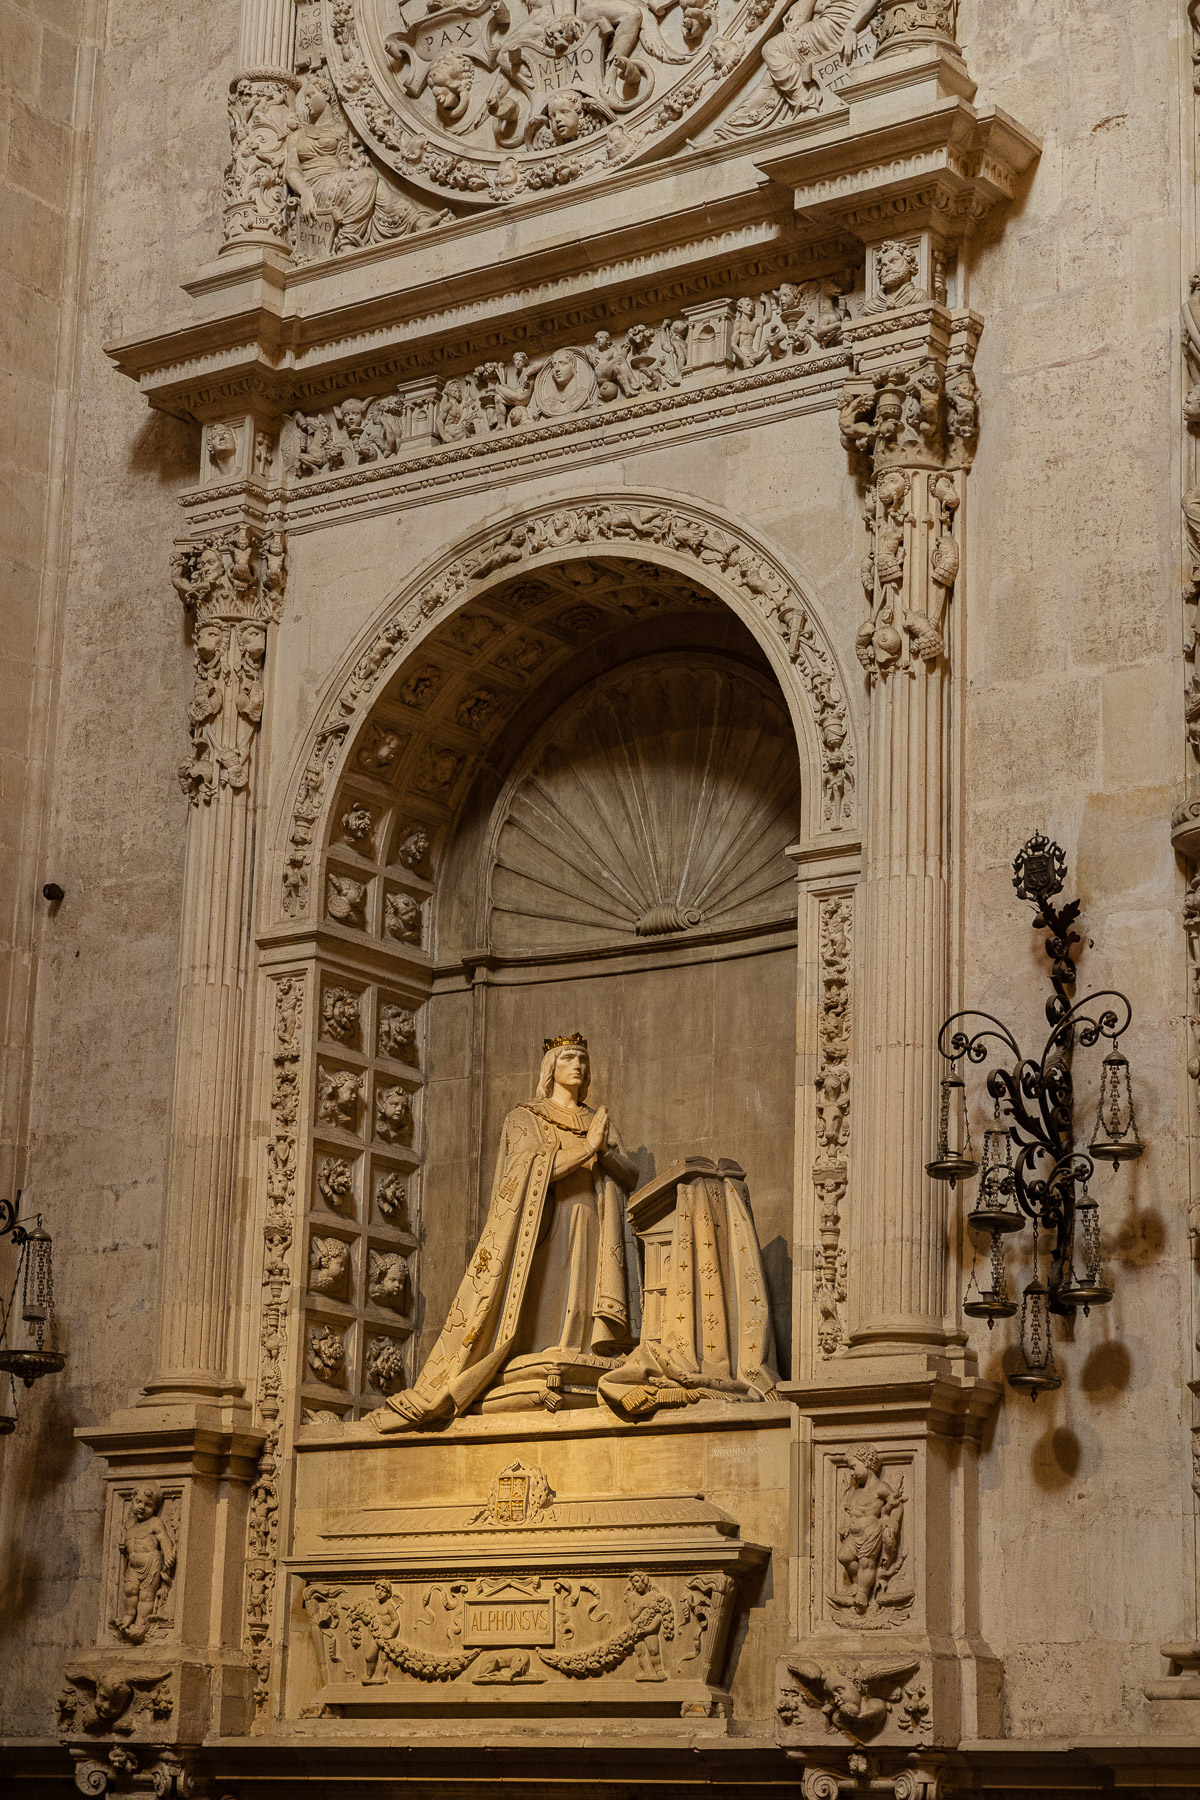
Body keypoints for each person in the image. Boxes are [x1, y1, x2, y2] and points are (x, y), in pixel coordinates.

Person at [371, 1034, 637, 1429]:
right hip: (543, 1225)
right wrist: (586, 1150)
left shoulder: (594, 1119)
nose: (577, 1066)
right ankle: (540, 1355)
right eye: (568, 1058)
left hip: (593, 1220)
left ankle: (581, 1353)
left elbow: (629, 1175)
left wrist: (604, 1149)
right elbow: (523, 1171)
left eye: (582, 1058)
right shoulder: (525, 1116)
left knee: (584, 1292)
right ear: (551, 1068)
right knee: (550, 1289)